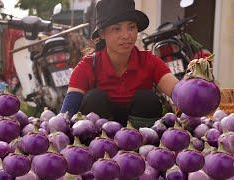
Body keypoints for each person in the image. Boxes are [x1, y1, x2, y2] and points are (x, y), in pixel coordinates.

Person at [60, 0, 179, 128]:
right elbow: (67, 113)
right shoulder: (87, 66)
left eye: (131, 27)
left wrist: (192, 87)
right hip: (99, 142)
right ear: (102, 33)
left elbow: (178, 91)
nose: (126, 35)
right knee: (94, 98)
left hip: (143, 140)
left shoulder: (149, 60)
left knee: (147, 99)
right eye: (117, 29)